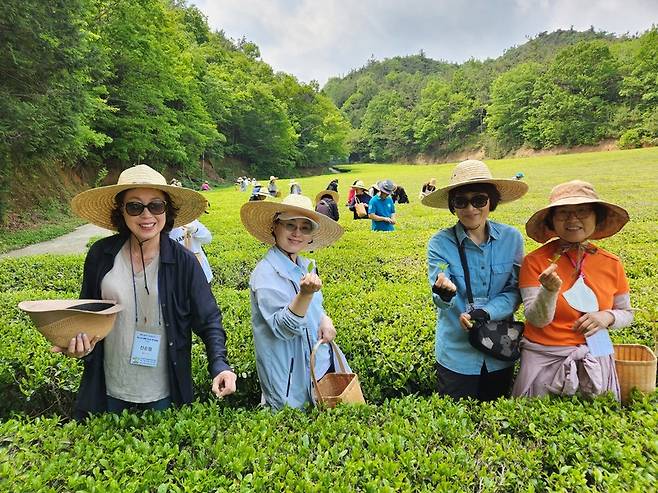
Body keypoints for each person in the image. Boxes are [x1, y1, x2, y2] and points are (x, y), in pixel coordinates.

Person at [65, 164, 236, 418]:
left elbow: (209, 318)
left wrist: (220, 365)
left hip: (164, 391)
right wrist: (77, 342)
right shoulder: (101, 255)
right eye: (135, 206)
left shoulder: (185, 262)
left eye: (156, 206)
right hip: (109, 385)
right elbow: (87, 314)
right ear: (121, 211)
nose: (147, 215)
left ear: (167, 210)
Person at [512, 180, 632, 400]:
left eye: (582, 211)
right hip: (545, 356)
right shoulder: (535, 262)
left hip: (597, 352)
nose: (573, 219)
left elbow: (627, 313)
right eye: (563, 212)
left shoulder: (612, 263)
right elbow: (536, 319)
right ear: (552, 221)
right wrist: (548, 291)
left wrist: (607, 316)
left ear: (597, 216)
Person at [423, 159, 528, 401]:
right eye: (461, 201)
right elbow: (439, 291)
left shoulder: (511, 239)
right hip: (455, 355)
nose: (470, 209)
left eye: (479, 200)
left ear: (491, 201)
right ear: (453, 205)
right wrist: (444, 291)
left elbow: (515, 290)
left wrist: (486, 312)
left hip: (499, 349)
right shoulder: (440, 243)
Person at [240, 194, 352, 410]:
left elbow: (316, 307)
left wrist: (325, 318)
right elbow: (283, 328)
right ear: (275, 227)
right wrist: (305, 294)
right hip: (290, 378)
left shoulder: (307, 265)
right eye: (290, 225)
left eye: (305, 228)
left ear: (311, 235)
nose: (297, 233)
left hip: (321, 365)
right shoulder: (264, 274)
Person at [169, 219, 213, 283]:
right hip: (178, 276)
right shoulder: (161, 228)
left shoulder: (191, 221)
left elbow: (208, 239)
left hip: (202, 271)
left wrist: (195, 230)